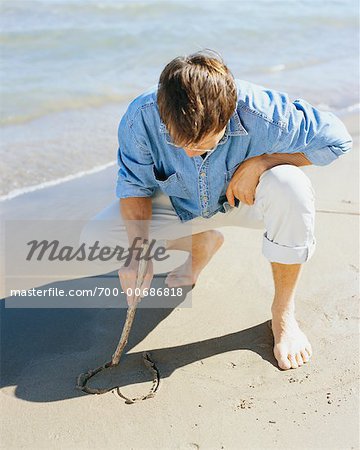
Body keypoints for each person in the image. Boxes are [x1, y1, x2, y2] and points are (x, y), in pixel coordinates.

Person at [81, 50, 352, 370]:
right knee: (99, 234)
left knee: (290, 187)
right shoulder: (141, 117)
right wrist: (139, 250)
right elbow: (134, 187)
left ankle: (283, 313)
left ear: (229, 113)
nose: (192, 153)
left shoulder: (262, 111)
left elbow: (337, 139)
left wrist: (264, 161)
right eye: (181, 143)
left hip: (246, 200)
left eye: (206, 144)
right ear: (163, 113)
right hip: (182, 204)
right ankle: (202, 242)